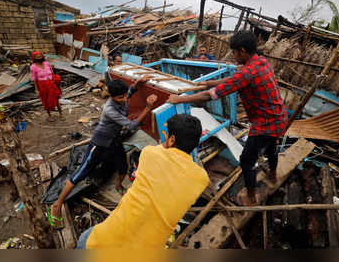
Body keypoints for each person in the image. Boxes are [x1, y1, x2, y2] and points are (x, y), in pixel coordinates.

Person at [168, 31, 288, 206]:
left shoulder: (247, 73)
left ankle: (251, 197)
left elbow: (210, 96)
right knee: (271, 147)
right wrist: (209, 82)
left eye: (234, 52)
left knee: (247, 161)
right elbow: (236, 79)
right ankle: (272, 174)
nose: (232, 56)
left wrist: (180, 99)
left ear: (242, 51)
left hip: (265, 123)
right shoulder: (260, 62)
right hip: (279, 117)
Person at [76, 114, 209, 249]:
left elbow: (160, 152)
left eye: (167, 135)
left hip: (104, 242)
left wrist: (165, 145)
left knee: (85, 237)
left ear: (172, 140)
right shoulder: (201, 179)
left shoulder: (149, 153)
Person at [48, 76, 157, 228]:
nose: (125, 99)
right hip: (99, 143)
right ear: (111, 97)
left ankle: (119, 186)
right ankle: (57, 204)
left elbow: (130, 91)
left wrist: (138, 82)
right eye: (120, 97)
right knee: (81, 173)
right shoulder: (110, 109)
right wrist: (147, 108)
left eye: (125, 95)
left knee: (123, 166)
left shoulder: (123, 96)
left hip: (114, 140)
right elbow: (131, 126)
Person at [30, 51, 63, 122]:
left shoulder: (47, 63)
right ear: (34, 58)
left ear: (42, 56)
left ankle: (61, 114)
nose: (39, 57)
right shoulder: (33, 67)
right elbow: (34, 79)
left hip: (51, 84)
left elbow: (52, 73)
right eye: (37, 56)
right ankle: (50, 116)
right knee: (45, 101)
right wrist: (36, 90)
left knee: (56, 99)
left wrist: (58, 85)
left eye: (40, 56)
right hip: (42, 86)